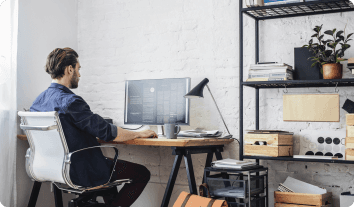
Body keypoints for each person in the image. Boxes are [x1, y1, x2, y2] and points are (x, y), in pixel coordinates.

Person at [30, 47, 157, 207]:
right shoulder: (71, 102)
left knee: (106, 173)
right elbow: (108, 133)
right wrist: (140, 134)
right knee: (141, 173)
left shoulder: (38, 102)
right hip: (79, 170)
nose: (79, 74)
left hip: (51, 168)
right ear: (70, 69)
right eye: (78, 69)